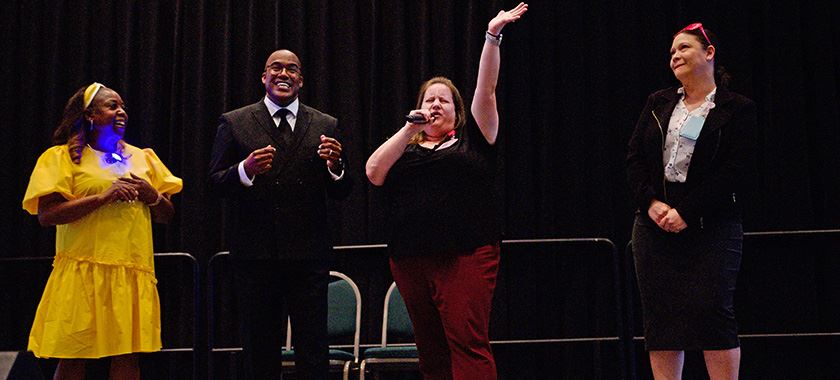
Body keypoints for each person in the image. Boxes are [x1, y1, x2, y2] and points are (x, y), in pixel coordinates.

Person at [365, 4, 528, 379]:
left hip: (465, 255)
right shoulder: (405, 147)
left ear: (458, 112)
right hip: (410, 258)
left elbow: (486, 89)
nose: (435, 104)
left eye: (444, 100)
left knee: (467, 343)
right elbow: (373, 172)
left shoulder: (474, 142)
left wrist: (492, 36)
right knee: (431, 349)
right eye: (428, 99)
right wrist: (409, 130)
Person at [22, 83, 183, 380]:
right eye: (112, 106)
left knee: (128, 359)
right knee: (73, 359)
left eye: (122, 106)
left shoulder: (143, 157)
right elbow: (47, 215)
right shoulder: (62, 157)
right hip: (82, 274)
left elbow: (166, 215)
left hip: (131, 273)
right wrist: (102, 197)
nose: (121, 111)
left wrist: (152, 196)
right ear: (90, 115)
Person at [208, 49, 353, 379]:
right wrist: (244, 170)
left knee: (313, 349)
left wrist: (336, 166)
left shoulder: (325, 123)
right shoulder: (235, 122)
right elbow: (214, 184)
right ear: (264, 76)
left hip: (308, 257)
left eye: (292, 69)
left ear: (301, 80)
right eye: (276, 67)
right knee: (259, 350)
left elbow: (344, 191)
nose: (283, 73)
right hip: (256, 258)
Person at [626, 23, 756, 380]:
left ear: (709, 53)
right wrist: (651, 203)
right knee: (661, 318)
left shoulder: (737, 109)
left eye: (683, 48)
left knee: (712, 313)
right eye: (671, 53)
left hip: (710, 226)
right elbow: (635, 158)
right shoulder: (659, 102)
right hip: (654, 225)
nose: (675, 57)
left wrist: (687, 211)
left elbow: (735, 171)